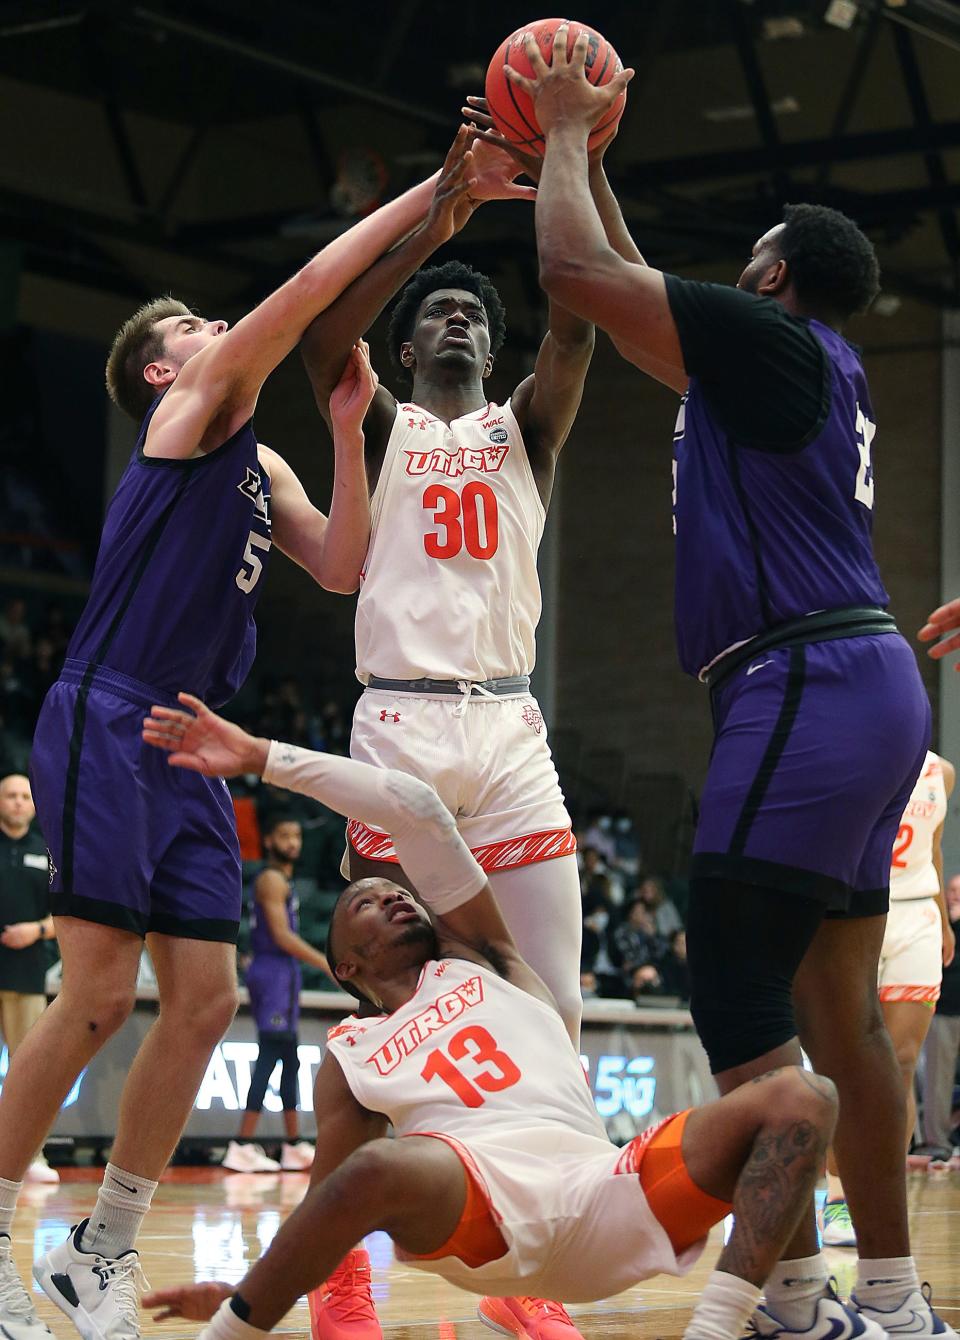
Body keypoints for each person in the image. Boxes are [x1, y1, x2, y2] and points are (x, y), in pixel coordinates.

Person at [5, 130, 530, 1340]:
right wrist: (433, 203)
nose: (209, 330)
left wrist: (349, 431)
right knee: (92, 993)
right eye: (188, 325)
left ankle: (101, 1249)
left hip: (195, 734)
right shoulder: (192, 407)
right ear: (158, 371)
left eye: (205, 324)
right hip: (108, 705)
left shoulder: (260, 456)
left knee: (203, 994)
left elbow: (343, 567)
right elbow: (300, 302)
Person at [495, 24, 950, 1340]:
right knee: (837, 1014)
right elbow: (624, 271)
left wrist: (568, 135)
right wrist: (586, 153)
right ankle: (895, 1300)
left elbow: (579, 274)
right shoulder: (802, 361)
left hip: (802, 678)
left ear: (770, 274)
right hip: (866, 686)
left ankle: (792, 1301)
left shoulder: (763, 340)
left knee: (738, 991)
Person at [139, 693, 842, 1340]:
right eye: (364, 901)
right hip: (475, 1207)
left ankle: (715, 1328)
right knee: (371, 1171)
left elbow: (415, 809)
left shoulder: (489, 958)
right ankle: (229, 1334)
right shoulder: (351, 1048)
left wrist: (264, 756)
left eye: (399, 893)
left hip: (606, 1191)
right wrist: (253, 1291)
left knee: (803, 1097)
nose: (391, 896)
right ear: (346, 966)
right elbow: (330, 1193)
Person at [297, 136, 602, 1340]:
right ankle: (341, 1270)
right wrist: (438, 222)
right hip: (405, 728)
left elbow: (573, 325)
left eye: (481, 312)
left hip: (511, 723)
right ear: (411, 347)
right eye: (446, 316)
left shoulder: (526, 430)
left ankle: (526, 1263)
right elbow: (328, 335)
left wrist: (572, 157)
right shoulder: (376, 421)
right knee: (392, 1013)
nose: (467, 324)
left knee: (553, 1012)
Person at [821, 752, 955, 1247]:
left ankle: (881, 1199)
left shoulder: (941, 773)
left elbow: (935, 851)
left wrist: (942, 920)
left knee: (900, 1062)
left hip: (916, 916)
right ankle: (837, 1198)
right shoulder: (851, 749)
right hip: (856, 913)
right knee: (850, 1061)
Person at [222, 815, 332, 1175]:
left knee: (290, 1058)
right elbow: (282, 937)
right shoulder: (271, 879)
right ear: (269, 841)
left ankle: (292, 1145)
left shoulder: (283, 879)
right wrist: (326, 963)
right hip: (273, 972)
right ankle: (240, 1145)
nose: (293, 842)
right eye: (285, 835)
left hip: (283, 973)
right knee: (271, 1054)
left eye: (297, 835)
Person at [0, 774, 57, 1184]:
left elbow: (64, 917)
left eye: (25, 796)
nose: (18, 802)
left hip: (27, 974)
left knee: (29, 1071)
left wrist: (34, 931)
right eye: (11, 795)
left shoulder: (46, 850)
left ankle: (32, 1158)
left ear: (34, 806)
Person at [918, 872, 960, 1163]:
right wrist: (951, 924)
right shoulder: (936, 923)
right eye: (952, 890)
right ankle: (937, 1142)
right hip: (944, 1010)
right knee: (938, 1080)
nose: (955, 894)